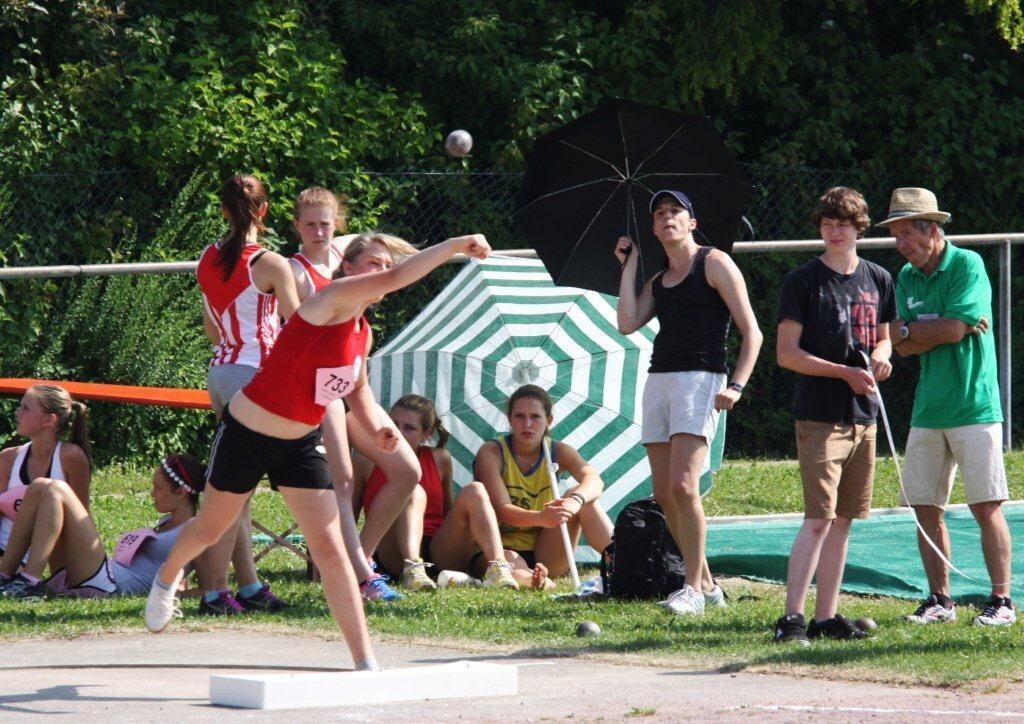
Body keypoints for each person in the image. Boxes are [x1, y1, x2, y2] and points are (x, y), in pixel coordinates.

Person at [144, 230, 491, 673]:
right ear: (347, 268)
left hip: (300, 444)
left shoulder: (362, 332)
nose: (382, 272)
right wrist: (454, 245)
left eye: (386, 265)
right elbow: (398, 278)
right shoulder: (330, 299)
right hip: (247, 433)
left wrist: (379, 430)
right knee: (210, 528)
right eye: (373, 263)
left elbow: (358, 392)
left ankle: (364, 662)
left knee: (331, 550)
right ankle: (166, 579)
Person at [614, 190, 763, 615]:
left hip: (700, 379)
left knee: (684, 486)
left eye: (675, 211)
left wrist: (736, 385)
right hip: (658, 380)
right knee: (664, 493)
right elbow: (626, 323)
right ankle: (709, 586)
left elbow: (752, 333)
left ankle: (692, 589)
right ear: (653, 228)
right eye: (660, 213)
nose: (667, 218)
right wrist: (628, 265)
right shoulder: (657, 280)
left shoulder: (714, 263)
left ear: (692, 222)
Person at [879, 187, 1014, 627]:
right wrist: (926, 329)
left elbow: (951, 331)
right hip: (928, 409)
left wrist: (918, 329)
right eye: (896, 236)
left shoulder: (967, 264)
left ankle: (1002, 601)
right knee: (924, 508)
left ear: (933, 230)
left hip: (974, 405)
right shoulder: (905, 276)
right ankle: (940, 600)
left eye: (907, 234)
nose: (901, 244)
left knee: (985, 506)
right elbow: (900, 343)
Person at [773, 187, 895, 644]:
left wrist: (882, 357)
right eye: (827, 223)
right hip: (820, 416)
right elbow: (787, 354)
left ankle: (825, 617)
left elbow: (885, 337)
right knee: (819, 518)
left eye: (843, 223)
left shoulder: (879, 277)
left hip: (864, 416)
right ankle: (791, 618)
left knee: (844, 519)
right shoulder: (802, 281)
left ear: (859, 227)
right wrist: (844, 373)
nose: (835, 231)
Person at [195, 173, 300, 616]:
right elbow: (297, 327)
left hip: (221, 373)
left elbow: (211, 330)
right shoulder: (271, 263)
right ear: (264, 210)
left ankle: (248, 585)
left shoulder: (206, 258)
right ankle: (214, 592)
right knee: (232, 494)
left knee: (237, 489)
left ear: (223, 211)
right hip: (255, 375)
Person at [353, 394, 522, 591]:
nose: (398, 433)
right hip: (392, 548)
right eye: (394, 424)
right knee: (412, 489)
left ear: (426, 434)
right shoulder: (366, 462)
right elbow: (349, 515)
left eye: (409, 428)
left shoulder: (440, 459)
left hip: (437, 548)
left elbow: (448, 512)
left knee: (475, 489)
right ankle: (413, 568)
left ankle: (498, 568)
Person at [0, 454, 209, 599]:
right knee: (39, 486)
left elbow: (208, 589)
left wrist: (169, 593)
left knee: (56, 489)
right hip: (104, 573)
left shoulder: (195, 531)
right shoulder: (166, 522)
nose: (152, 493)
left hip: (110, 584)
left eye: (158, 487)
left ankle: (30, 582)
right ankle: (5, 576)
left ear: (180, 493)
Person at [475, 384, 613, 586]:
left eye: (535, 417)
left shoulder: (557, 451)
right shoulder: (491, 452)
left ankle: (625, 561)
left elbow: (594, 480)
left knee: (581, 495)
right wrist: (542, 518)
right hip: (500, 547)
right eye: (519, 416)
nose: (527, 424)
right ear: (509, 419)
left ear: (548, 420)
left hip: (546, 548)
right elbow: (503, 511)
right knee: (510, 562)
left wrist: (575, 501)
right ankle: (536, 581)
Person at [0, 384, 91, 562]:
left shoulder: (71, 457)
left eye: (26, 408)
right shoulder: (7, 458)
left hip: (42, 559)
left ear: (49, 420)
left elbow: (81, 520)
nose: (17, 413)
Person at [289, 186, 354, 301]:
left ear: (335, 223)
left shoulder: (344, 247)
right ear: (297, 225)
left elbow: (382, 243)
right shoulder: (294, 272)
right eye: (310, 224)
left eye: (324, 224)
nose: (318, 233)